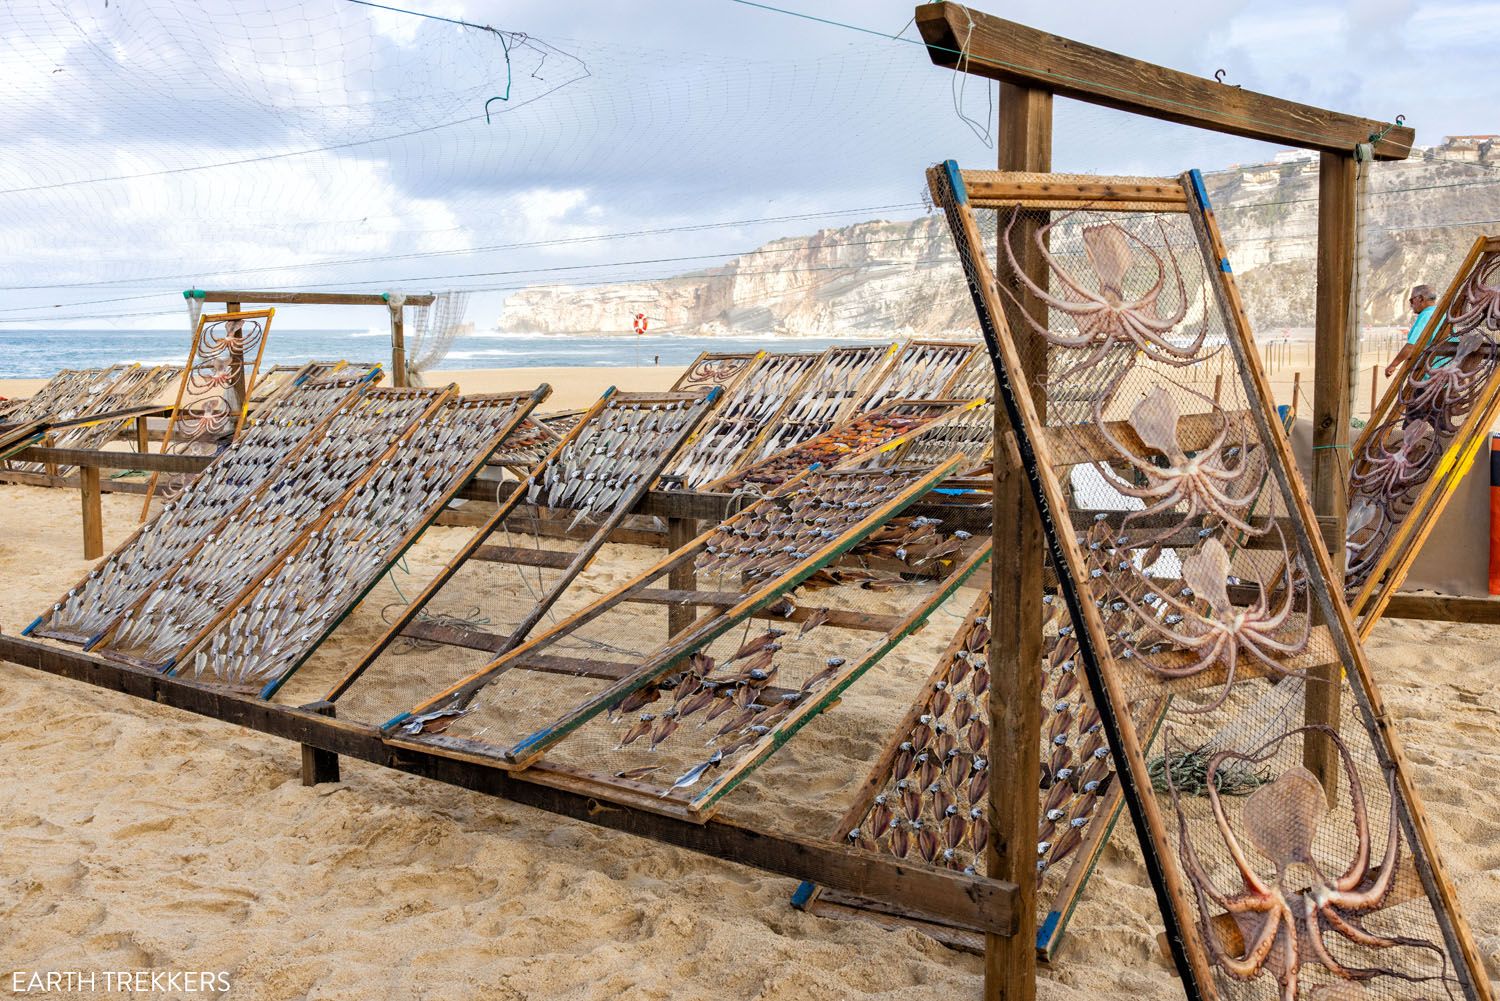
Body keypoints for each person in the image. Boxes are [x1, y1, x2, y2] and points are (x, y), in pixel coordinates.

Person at [1384, 284, 1438, 378]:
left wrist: (1393, 365)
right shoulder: (1442, 313)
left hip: (1427, 375)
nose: (1411, 304)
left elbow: (1411, 345)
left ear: (1420, 298)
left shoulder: (1426, 315)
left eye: (1412, 300)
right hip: (1444, 373)